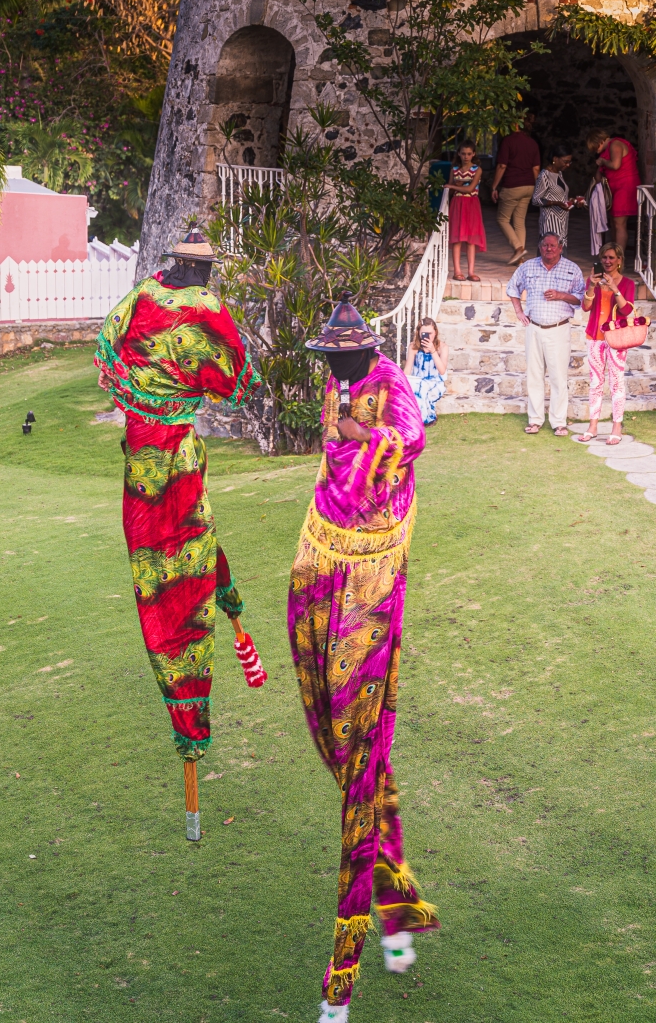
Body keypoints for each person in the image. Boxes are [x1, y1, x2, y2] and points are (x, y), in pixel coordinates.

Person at [288, 294, 440, 1023]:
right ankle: (401, 911)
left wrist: (362, 429)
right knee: (347, 749)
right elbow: (333, 449)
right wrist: (345, 423)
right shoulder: (335, 385)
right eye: (330, 364)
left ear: (365, 354)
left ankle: (340, 981)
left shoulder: (392, 384)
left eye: (343, 362)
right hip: (320, 560)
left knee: (361, 756)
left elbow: (407, 442)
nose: (337, 374)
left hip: (375, 578)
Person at [94, 230, 261, 764]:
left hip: (140, 456)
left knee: (151, 559)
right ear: (203, 268)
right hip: (179, 454)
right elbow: (237, 379)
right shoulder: (207, 308)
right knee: (189, 550)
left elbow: (108, 346)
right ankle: (189, 706)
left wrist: (149, 386)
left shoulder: (143, 295)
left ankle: (186, 698)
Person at [507, 233, 585, 436]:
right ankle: (535, 420)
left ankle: (559, 422)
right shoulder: (528, 267)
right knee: (534, 375)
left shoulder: (572, 269)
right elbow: (512, 288)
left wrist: (561, 295)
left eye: (552, 246)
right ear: (540, 247)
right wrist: (519, 312)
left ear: (560, 248)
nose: (548, 249)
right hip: (534, 327)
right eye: (545, 245)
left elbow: (581, 299)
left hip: (559, 328)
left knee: (559, 377)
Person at [577, 241, 635, 446]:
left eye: (612, 258)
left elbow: (627, 311)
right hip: (595, 337)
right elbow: (586, 307)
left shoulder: (627, 283)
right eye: (604, 257)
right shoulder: (592, 280)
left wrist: (614, 288)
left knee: (617, 383)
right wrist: (592, 286)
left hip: (617, 339)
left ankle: (616, 427)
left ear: (619, 260)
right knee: (595, 383)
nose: (607, 261)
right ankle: (593, 426)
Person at [491, 114, 541, 265]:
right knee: (519, 221)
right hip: (529, 186)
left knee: (502, 219)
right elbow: (536, 168)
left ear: (514, 123)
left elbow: (502, 166)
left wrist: (494, 186)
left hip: (512, 186)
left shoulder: (508, 141)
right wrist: (536, 188)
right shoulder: (532, 143)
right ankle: (520, 260)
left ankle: (518, 248)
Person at [586, 129, 640, 253]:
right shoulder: (606, 151)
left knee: (619, 223)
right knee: (613, 222)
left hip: (625, 187)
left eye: (594, 147)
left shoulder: (615, 144)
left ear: (599, 141)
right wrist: (601, 165)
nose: (595, 151)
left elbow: (616, 165)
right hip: (615, 188)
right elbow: (598, 177)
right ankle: (614, 254)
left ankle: (619, 258)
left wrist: (603, 161)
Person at [445, 139, 486, 282]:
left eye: (469, 153)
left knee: (471, 239)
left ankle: (471, 271)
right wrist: (453, 186)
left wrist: (454, 186)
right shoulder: (454, 169)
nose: (466, 156)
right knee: (456, 237)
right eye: (463, 154)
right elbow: (448, 189)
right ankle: (457, 270)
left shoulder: (477, 169)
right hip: (457, 203)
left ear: (473, 154)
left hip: (471, 203)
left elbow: (469, 188)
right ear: (459, 154)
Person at [532, 145, 585, 248]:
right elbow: (535, 200)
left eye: (570, 162)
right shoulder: (544, 176)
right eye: (565, 161)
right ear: (555, 159)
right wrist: (555, 203)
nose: (568, 165)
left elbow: (560, 197)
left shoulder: (559, 173)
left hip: (562, 226)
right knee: (550, 255)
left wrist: (573, 202)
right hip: (550, 225)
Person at [403, 317, 449, 424]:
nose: (428, 336)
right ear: (419, 333)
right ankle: (422, 418)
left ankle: (423, 419)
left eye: (430, 333)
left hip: (435, 383)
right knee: (415, 386)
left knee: (422, 388)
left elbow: (442, 371)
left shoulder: (442, 347)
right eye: (424, 333)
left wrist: (433, 351)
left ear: (435, 332)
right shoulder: (413, 347)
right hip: (418, 382)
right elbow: (408, 368)